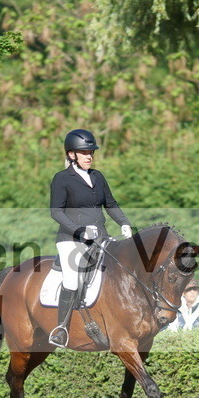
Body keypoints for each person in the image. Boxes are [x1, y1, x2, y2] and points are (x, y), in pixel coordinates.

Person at [49, 128, 132, 348]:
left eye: (91, 152)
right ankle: (61, 329)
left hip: (101, 238)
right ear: (71, 154)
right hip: (71, 240)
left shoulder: (97, 176)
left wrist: (124, 222)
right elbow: (56, 212)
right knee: (71, 280)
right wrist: (79, 231)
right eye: (84, 152)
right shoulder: (62, 179)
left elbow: (111, 204)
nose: (89, 156)